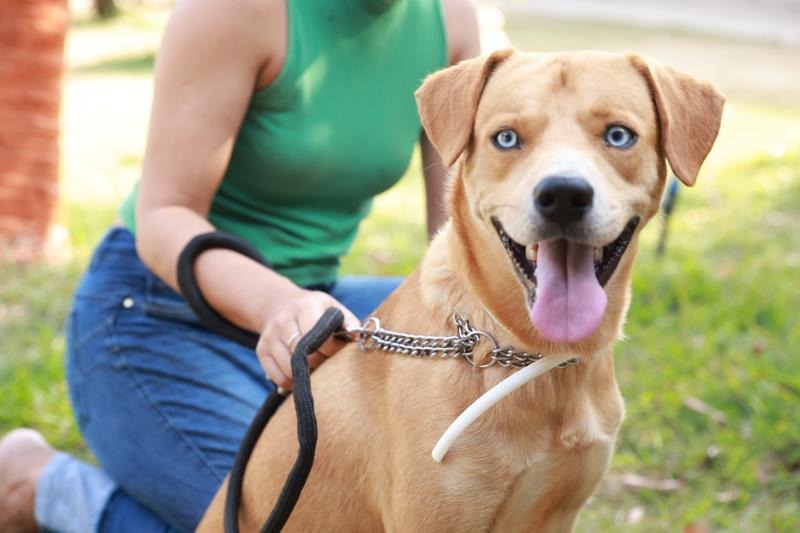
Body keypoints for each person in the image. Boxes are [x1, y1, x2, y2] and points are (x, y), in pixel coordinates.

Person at [0, 0, 481, 531]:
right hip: (159, 313)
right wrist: (279, 304)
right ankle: (40, 485)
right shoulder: (238, 10)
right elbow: (164, 214)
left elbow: (458, 243)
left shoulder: (450, 20)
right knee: (283, 519)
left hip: (314, 305)